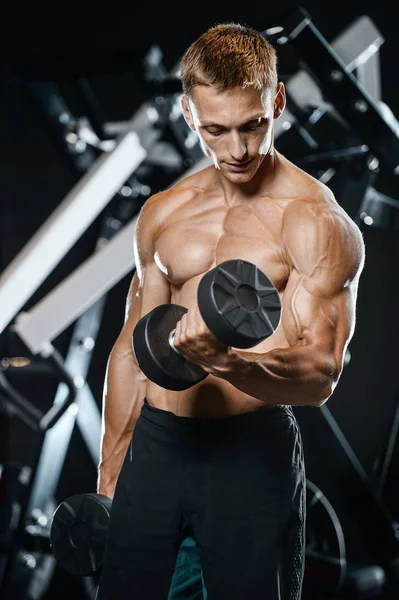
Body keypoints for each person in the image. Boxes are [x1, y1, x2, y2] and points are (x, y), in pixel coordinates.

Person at [95, 22, 365, 600]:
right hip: (158, 448)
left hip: (249, 451)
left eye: (253, 125)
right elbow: (130, 349)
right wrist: (111, 471)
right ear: (189, 114)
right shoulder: (163, 213)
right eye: (216, 130)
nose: (237, 150)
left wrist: (229, 363)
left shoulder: (313, 220)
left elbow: (321, 373)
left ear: (278, 101)